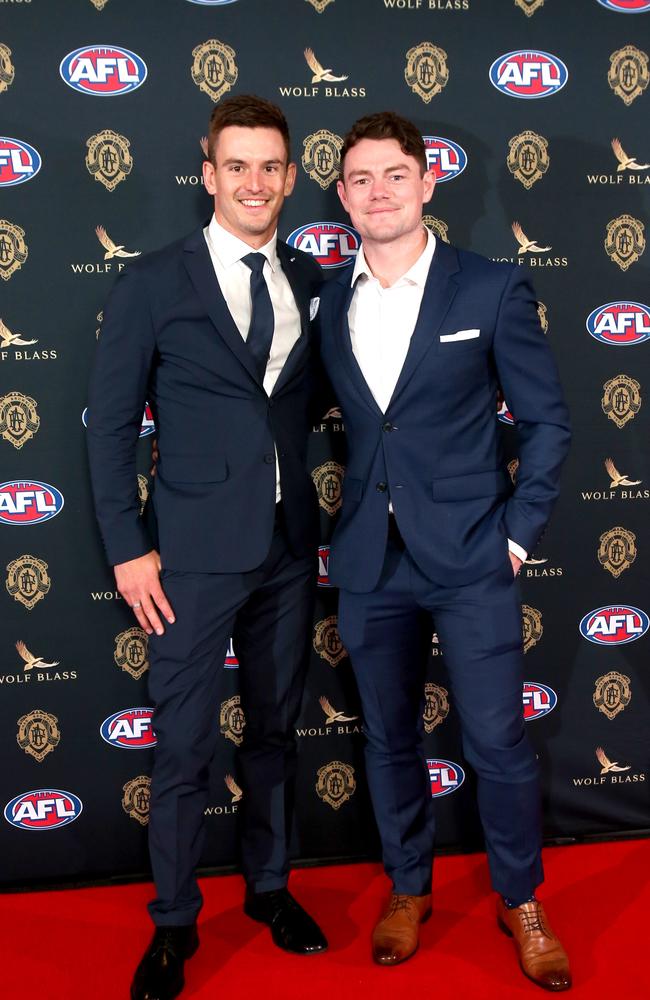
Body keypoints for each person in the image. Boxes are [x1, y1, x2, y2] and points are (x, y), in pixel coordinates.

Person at [316, 112, 572, 991]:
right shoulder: (325, 300)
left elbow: (545, 424)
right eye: (360, 178)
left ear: (429, 183)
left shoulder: (492, 288)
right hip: (367, 561)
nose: (378, 191)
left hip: (470, 557)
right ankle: (409, 885)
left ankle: (521, 896)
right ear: (343, 195)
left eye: (395, 175)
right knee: (388, 739)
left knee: (498, 742)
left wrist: (515, 537)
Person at [87, 95, 327, 1000]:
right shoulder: (154, 281)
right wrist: (127, 547)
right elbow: (108, 429)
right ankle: (174, 924)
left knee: (273, 735)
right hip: (186, 556)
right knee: (184, 745)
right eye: (237, 165)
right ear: (209, 173)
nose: (255, 182)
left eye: (271, 166)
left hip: (288, 550)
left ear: (292, 178)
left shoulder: (311, 278)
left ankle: (271, 890)